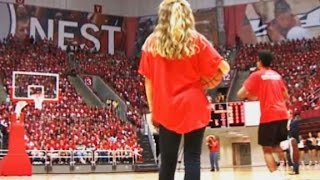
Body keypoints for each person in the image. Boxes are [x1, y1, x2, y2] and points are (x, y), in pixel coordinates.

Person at [138, 0, 230, 179]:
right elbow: (224, 67)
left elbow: (148, 82)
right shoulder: (196, 39)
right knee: (192, 158)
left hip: (167, 107)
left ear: (163, 16)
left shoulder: (151, 43)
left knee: (168, 161)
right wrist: (207, 83)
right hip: (194, 105)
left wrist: (153, 111)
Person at [237, 50, 296, 178]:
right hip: (283, 114)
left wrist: (250, 95)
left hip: (269, 115)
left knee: (266, 149)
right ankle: (287, 149)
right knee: (276, 145)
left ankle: (275, 176)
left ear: (260, 61)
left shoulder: (256, 75)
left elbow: (240, 94)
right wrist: (262, 95)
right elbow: (286, 96)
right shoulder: (277, 75)